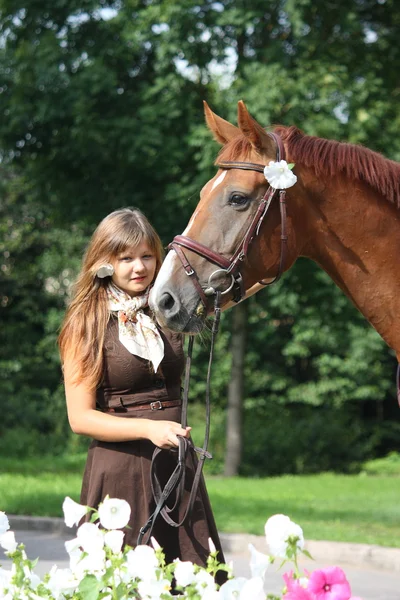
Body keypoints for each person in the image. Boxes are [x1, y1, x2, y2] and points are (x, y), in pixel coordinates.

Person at [58, 207, 225, 567]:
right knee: (125, 580)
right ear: (104, 263)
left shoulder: (168, 308)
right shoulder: (85, 324)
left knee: (193, 577)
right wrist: (149, 429)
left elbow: (226, 290)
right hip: (121, 471)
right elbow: (80, 418)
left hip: (176, 466)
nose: (140, 267)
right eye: (126, 258)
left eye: (147, 256)